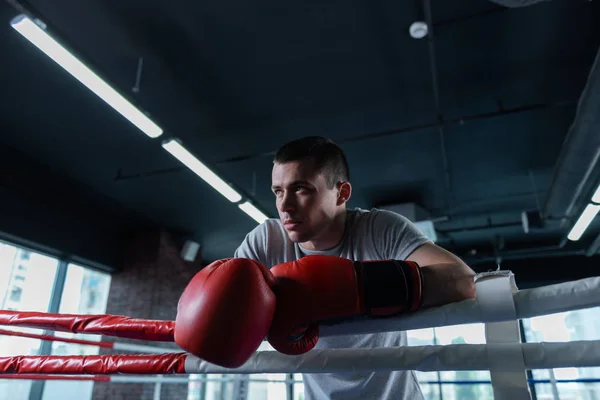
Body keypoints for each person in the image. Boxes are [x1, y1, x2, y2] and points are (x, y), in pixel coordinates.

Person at [234, 136, 476, 400]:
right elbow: (226, 308)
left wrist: (356, 287)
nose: (284, 205)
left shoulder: (379, 229)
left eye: (301, 189)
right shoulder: (267, 240)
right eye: (278, 191)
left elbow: (463, 280)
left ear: (342, 193)